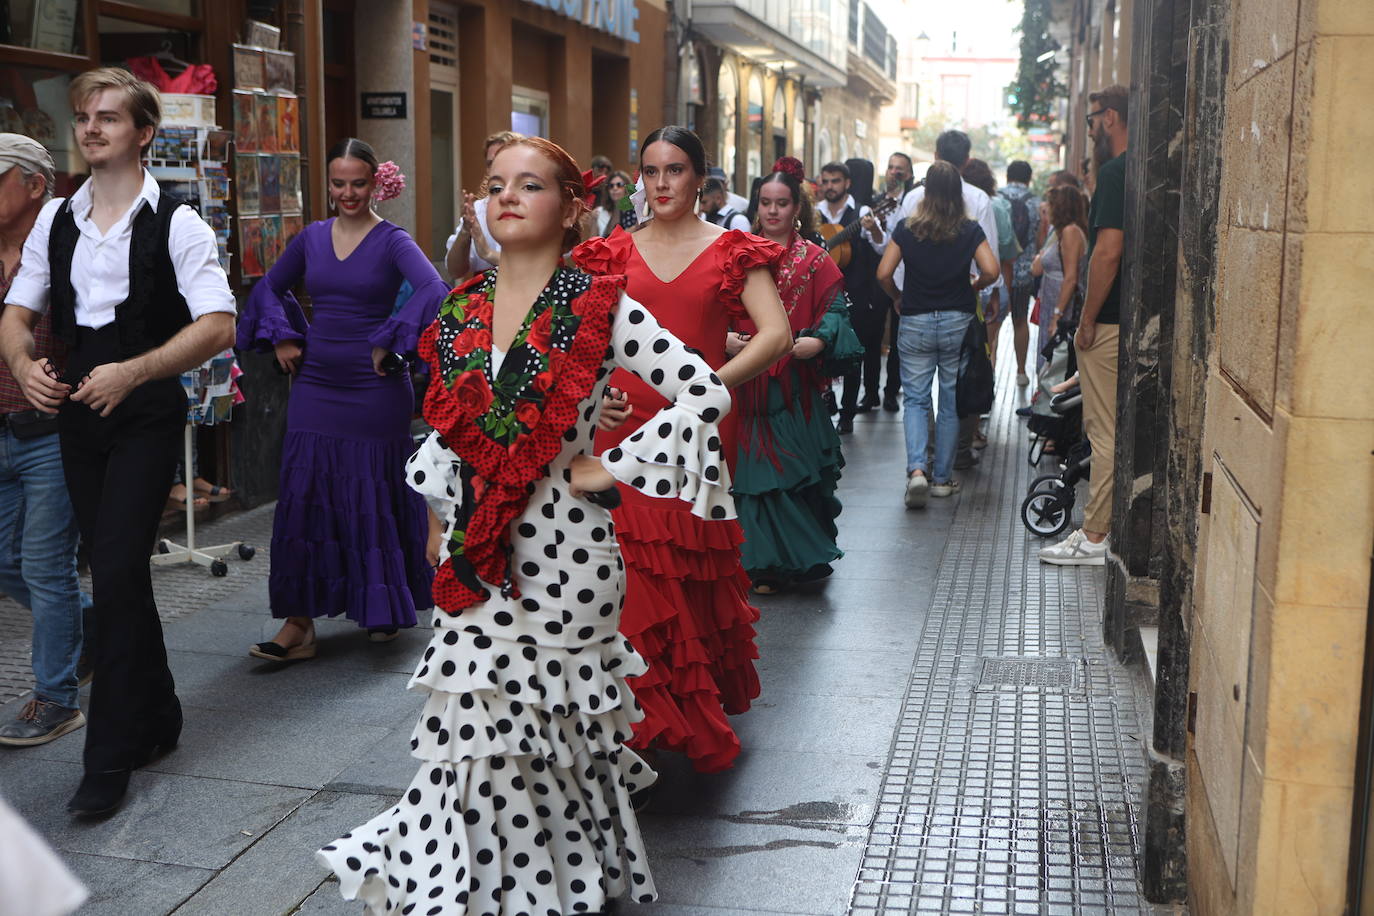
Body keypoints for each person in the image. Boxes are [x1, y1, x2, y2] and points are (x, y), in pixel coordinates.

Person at [317, 136, 737, 915]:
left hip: (570, 556)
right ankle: (479, 884)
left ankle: (552, 884)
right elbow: (447, 429)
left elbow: (704, 392)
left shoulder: (603, 304)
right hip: (479, 552)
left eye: (532, 184)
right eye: (497, 184)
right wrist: (443, 512)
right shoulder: (460, 307)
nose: (507, 196)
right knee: (472, 727)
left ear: (573, 206)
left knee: (561, 739)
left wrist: (611, 468)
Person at [0, 68, 237, 815]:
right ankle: (159, 715)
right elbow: (15, 313)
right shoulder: (54, 220)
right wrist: (21, 363)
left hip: (144, 412)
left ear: (143, 133)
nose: (91, 127)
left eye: (107, 116)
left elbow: (218, 325)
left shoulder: (179, 222)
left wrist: (133, 372)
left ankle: (107, 758)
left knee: (117, 569)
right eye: (82, 116)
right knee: (119, 575)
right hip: (75, 412)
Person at [573, 125, 790, 773]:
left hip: (694, 431)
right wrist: (589, 401)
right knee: (629, 571)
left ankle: (676, 708)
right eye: (650, 171)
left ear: (700, 178)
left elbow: (774, 335)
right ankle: (633, 720)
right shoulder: (609, 251)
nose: (661, 183)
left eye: (674, 170)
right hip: (619, 429)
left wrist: (702, 390)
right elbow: (585, 344)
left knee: (684, 566)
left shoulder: (730, 249)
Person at [238, 138, 447, 657]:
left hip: (374, 389)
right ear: (328, 185)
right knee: (305, 493)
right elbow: (268, 287)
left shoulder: (393, 240)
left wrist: (388, 341)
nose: (348, 192)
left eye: (358, 182)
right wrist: (284, 334)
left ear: (376, 183)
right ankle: (299, 624)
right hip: (316, 382)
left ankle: (382, 606)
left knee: (372, 490)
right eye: (339, 183)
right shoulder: (310, 237)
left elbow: (434, 290)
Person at [730, 160, 861, 592]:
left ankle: (795, 558)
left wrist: (820, 341)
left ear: (796, 207)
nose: (772, 211)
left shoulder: (815, 258)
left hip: (796, 386)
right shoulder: (735, 254)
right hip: (747, 383)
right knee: (757, 475)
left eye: (781, 203)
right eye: (765, 202)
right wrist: (726, 338)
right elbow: (712, 307)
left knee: (794, 474)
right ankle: (762, 563)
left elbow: (836, 311)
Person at [0, 135, 89, 749]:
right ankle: (92, 628)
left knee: (45, 564)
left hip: (52, 430)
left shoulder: (70, 251)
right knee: (4, 559)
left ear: (35, 183)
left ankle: (56, 698)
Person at [877, 161, 999, 508]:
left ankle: (917, 471)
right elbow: (991, 270)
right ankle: (943, 479)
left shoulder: (907, 227)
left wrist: (897, 297)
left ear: (925, 192)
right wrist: (976, 285)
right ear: (957, 193)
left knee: (915, 399)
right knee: (949, 401)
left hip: (914, 319)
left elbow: (884, 273)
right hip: (957, 321)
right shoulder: (969, 229)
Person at [1041, 85, 1128, 566]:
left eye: (1093, 119)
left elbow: (1108, 252)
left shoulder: (1116, 171)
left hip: (1109, 319)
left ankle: (1095, 536)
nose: (1091, 128)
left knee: (1103, 431)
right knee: (1109, 429)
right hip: (1122, 318)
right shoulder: (1143, 167)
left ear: (1110, 118)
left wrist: (1087, 320)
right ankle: (1099, 530)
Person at [814, 161, 886, 433]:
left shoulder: (863, 212)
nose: (830, 186)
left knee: (852, 353)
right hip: (822, 292)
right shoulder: (814, 212)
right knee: (822, 350)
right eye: (826, 181)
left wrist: (875, 228)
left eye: (835, 181)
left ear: (847, 183)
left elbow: (881, 247)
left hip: (855, 290)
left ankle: (848, 413)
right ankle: (826, 402)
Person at [444, 130, 521, 281]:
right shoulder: (478, 208)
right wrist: (465, 232)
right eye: (490, 163)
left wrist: (488, 254)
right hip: (485, 300)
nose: (496, 168)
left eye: (503, 160)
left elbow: (536, 265)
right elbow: (454, 271)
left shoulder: (535, 203)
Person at [1030, 185, 1088, 365]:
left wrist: (1057, 315)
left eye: (1051, 203)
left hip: (1061, 306)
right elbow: (1037, 268)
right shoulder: (1061, 233)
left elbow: (1070, 278)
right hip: (1052, 302)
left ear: (1061, 207)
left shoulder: (1071, 232)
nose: (1047, 207)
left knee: (1054, 360)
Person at [877, 152, 915, 412]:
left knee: (899, 341)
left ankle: (892, 390)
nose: (894, 172)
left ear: (909, 174)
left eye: (900, 169)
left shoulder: (913, 202)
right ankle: (871, 392)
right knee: (877, 336)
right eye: (891, 167)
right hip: (881, 278)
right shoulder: (877, 203)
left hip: (904, 278)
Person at [999, 160, 1040, 385]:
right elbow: (1040, 237)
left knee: (992, 323)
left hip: (997, 270)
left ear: (1007, 176)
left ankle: (991, 369)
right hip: (1024, 271)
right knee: (1020, 320)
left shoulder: (996, 199)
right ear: (1029, 177)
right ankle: (1022, 372)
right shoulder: (1036, 202)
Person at [593, 168, 632, 237]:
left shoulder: (634, 211)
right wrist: (594, 220)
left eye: (619, 185)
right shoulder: (600, 212)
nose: (615, 188)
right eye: (611, 186)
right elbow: (593, 240)